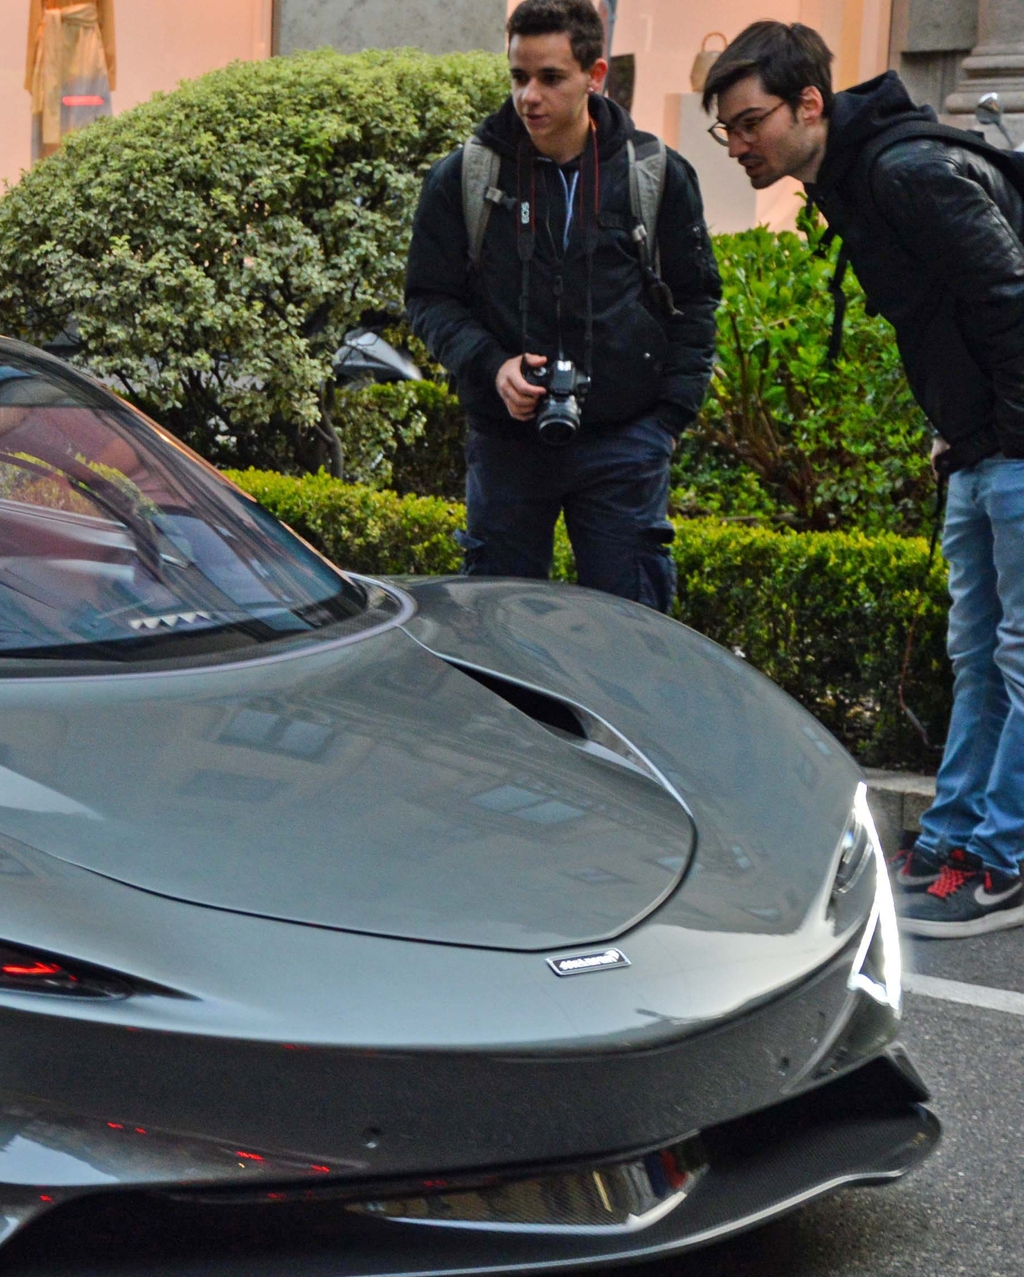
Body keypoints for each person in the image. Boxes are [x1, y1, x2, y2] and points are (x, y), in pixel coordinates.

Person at [704, 23, 1024, 938]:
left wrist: (1006, 439)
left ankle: (1002, 859)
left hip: (1010, 450)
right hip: (979, 448)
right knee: (981, 659)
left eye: (748, 122)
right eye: (727, 128)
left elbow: (1010, 299)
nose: (736, 145)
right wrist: (958, 436)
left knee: (1017, 658)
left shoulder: (900, 172)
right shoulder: (854, 175)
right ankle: (953, 840)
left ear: (810, 104)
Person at [403, 0, 720, 611]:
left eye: (550, 78)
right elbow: (428, 298)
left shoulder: (653, 172)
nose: (529, 97)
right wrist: (492, 365)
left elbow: (696, 300)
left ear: (594, 76)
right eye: (519, 77)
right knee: (497, 636)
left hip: (625, 443)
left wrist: (667, 423)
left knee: (631, 636)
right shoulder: (466, 175)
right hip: (507, 442)